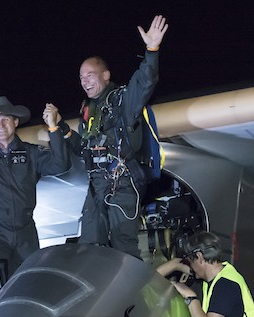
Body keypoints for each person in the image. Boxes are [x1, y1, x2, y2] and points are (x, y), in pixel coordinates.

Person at [51, 15, 168, 259]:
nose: (84, 82)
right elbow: (82, 150)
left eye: (90, 75)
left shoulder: (123, 100)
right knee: (90, 246)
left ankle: (131, 294)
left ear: (105, 75)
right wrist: (60, 126)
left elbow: (144, 81)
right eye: (81, 78)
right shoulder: (87, 110)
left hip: (123, 184)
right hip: (96, 186)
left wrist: (152, 49)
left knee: (123, 247)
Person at [0, 96, 70, 311]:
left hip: (26, 232)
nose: (0, 125)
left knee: (33, 289)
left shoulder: (30, 153)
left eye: (5, 120)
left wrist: (54, 128)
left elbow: (61, 164)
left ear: (15, 122)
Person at [156, 231, 254, 317]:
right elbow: (176, 264)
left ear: (199, 257)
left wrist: (191, 298)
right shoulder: (217, 272)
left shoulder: (225, 286)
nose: (190, 266)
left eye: (190, 261)